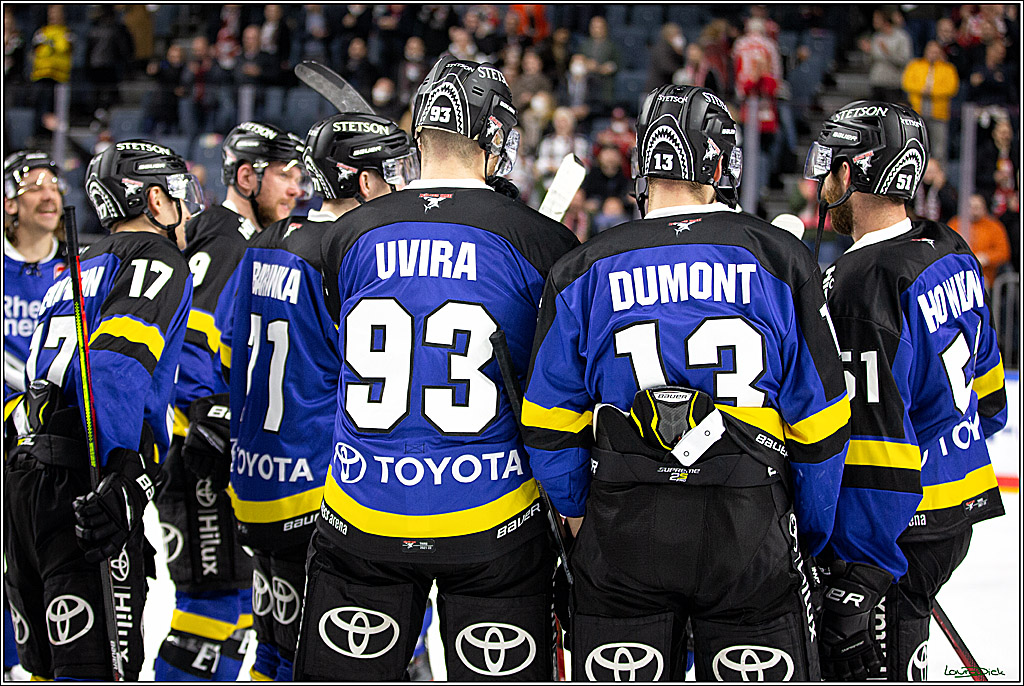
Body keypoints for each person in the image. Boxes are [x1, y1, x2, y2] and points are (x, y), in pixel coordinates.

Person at [522, 84, 850, 681]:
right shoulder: (779, 258)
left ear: (644, 168)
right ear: (723, 166)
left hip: (624, 523)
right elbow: (823, 420)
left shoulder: (584, 266)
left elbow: (546, 421)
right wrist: (810, 524)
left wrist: (578, 516)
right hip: (748, 524)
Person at [291, 56, 579, 681]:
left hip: (360, 512)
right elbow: (556, 391)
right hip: (495, 519)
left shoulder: (347, 237)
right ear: (498, 137)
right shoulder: (542, 242)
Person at [806, 101, 1007, 680]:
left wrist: (863, 569)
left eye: (832, 168)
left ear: (851, 175)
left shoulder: (857, 286)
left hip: (897, 528)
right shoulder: (948, 248)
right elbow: (989, 396)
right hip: (957, 505)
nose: (823, 181)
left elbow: (875, 445)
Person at [219, 113, 419, 681]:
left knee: (274, 646)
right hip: (320, 489)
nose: (401, 185)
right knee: (328, 655)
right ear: (361, 181)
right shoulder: (348, 254)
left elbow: (230, 345)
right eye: (391, 174)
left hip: (258, 478)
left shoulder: (263, 242)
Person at [3, 139, 199, 680]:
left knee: (43, 668)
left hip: (26, 480)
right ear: (153, 200)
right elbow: (112, 368)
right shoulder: (157, 257)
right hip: (84, 481)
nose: (184, 205)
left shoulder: (76, 263)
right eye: (177, 192)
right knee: (95, 672)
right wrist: (120, 474)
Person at [153, 121, 307, 681]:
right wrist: (209, 413)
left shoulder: (246, 239)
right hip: (198, 452)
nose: (298, 188)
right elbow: (191, 340)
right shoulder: (226, 236)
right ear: (247, 175)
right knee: (211, 614)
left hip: (219, 455)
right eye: (286, 175)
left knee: (243, 617)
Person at [2, 150, 68, 680]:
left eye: (55, 184)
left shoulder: (79, 269)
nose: (49, 195)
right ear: (9, 203)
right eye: (34, 186)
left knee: (44, 563)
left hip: (50, 441)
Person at [901, 41, 960, 162]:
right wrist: (922, 89)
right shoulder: (915, 65)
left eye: (935, 52)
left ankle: (939, 177)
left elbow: (951, 87)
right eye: (930, 51)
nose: (933, 54)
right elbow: (907, 82)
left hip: (938, 114)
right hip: (917, 113)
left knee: (939, 149)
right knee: (915, 146)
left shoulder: (948, 69)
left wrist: (932, 91)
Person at [949, 193, 1011, 286]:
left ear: (984, 208)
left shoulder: (994, 226)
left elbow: (1003, 252)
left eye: (977, 207)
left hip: (982, 274)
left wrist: (986, 258)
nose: (973, 211)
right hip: (955, 272)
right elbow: (945, 247)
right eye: (970, 207)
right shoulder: (955, 224)